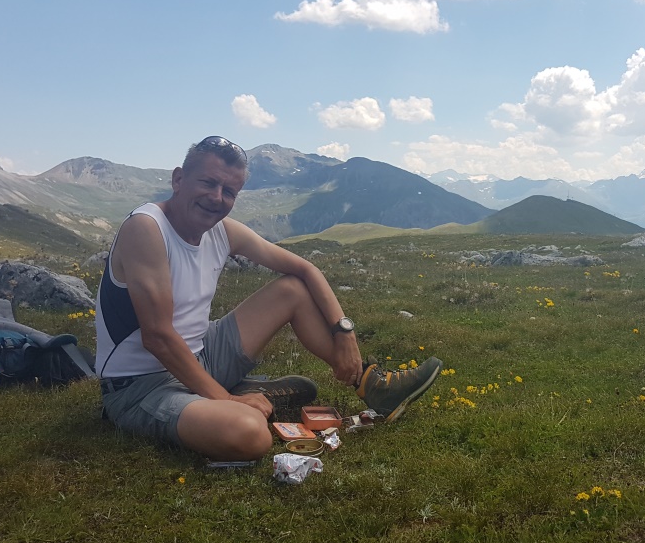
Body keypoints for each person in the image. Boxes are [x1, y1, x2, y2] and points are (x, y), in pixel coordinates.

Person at [95, 136, 441, 460]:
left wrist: (344, 331)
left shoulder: (221, 231)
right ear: (178, 179)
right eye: (208, 183)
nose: (216, 198)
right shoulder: (147, 228)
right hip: (143, 385)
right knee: (251, 435)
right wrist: (227, 399)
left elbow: (305, 270)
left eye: (229, 191)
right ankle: (230, 396)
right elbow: (158, 337)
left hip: (202, 353)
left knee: (292, 290)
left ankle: (370, 384)